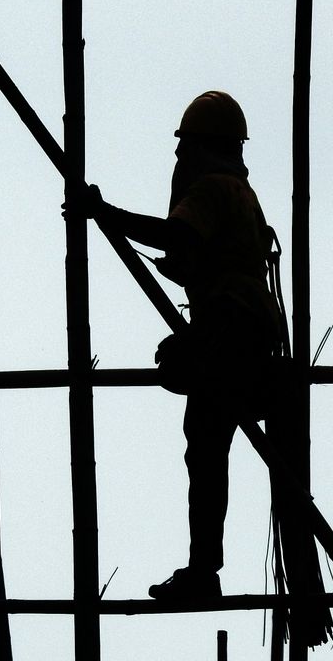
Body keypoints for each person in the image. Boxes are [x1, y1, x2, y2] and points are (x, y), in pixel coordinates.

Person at [69, 91, 284, 600]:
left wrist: (103, 213)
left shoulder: (211, 188)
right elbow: (189, 256)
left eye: (183, 146)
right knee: (204, 433)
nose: (178, 158)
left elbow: (174, 238)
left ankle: (204, 571)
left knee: (205, 445)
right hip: (248, 330)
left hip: (232, 327)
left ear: (198, 146)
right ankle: (204, 567)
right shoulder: (241, 194)